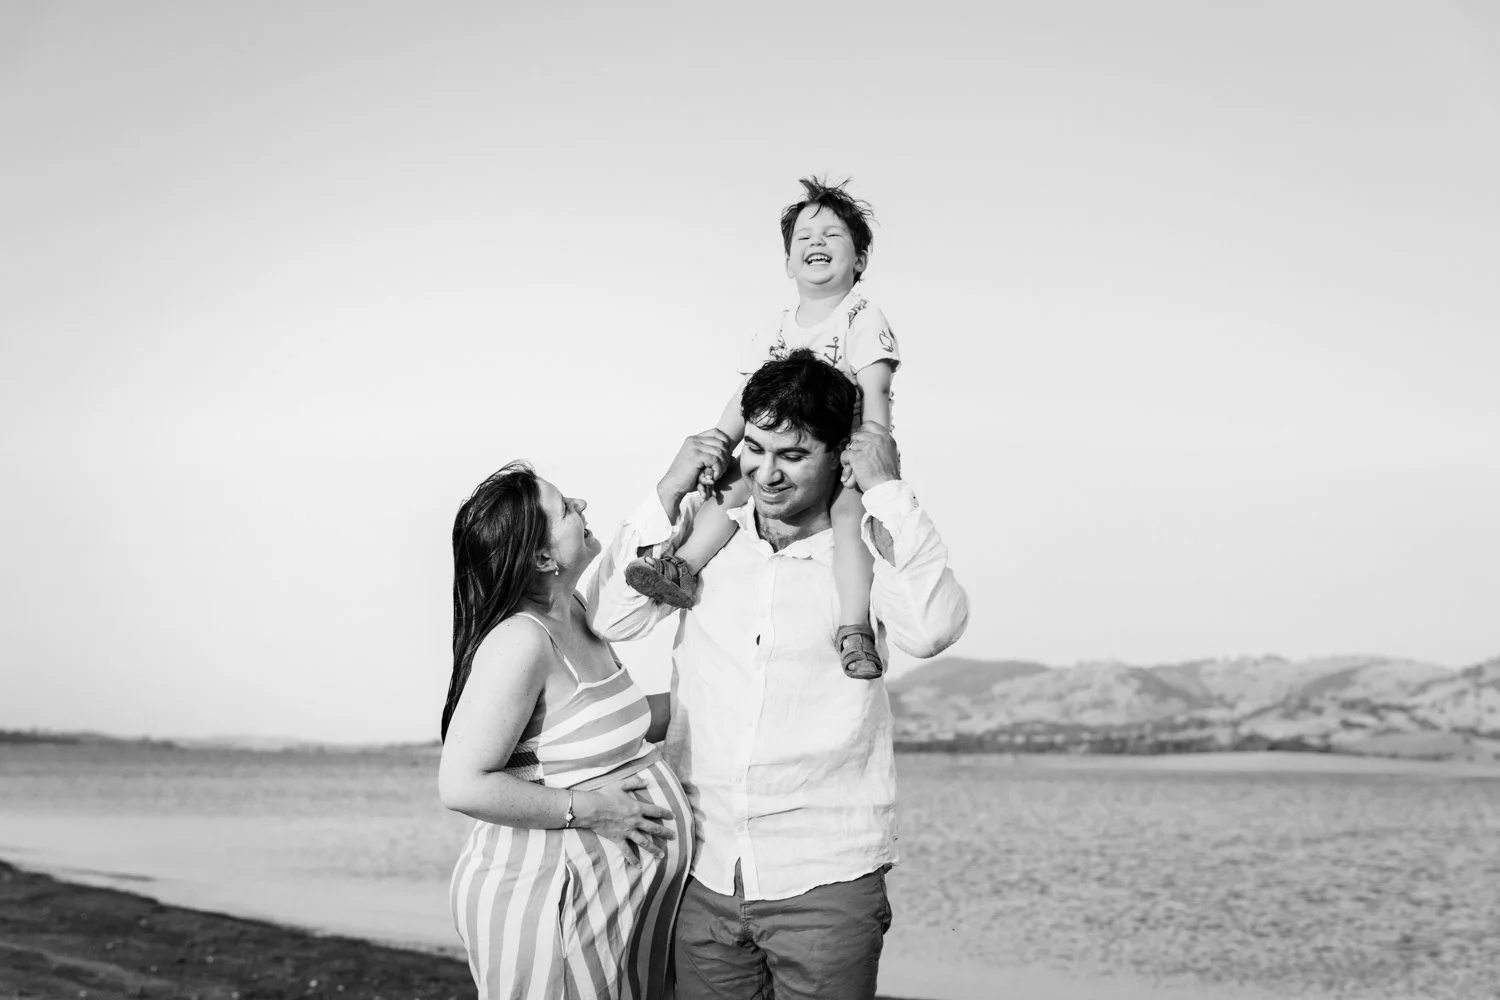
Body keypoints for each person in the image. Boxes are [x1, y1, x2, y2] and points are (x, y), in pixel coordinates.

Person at [588, 350, 970, 1000]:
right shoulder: (708, 539)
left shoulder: (867, 549)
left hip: (826, 877)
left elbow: (932, 628)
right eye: (757, 450)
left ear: (838, 453)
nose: (766, 473)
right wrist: (669, 485)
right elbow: (611, 616)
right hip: (702, 871)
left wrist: (888, 491)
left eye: (791, 455)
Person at [624, 176, 901, 680]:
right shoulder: (775, 329)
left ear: (859, 260)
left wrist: (873, 465)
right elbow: (745, 398)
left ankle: (854, 627)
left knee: (849, 525)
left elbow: (876, 391)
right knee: (729, 487)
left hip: (837, 456)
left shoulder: (862, 316)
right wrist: (720, 443)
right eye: (804, 237)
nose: (817, 243)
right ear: (789, 263)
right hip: (776, 445)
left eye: (833, 235)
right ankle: (681, 566)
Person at [439, 462, 692, 999]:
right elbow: (462, 784)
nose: (581, 506)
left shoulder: (573, 609)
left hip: (605, 912)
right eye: (565, 508)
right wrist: (598, 809)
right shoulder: (520, 641)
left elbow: (610, 726)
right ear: (541, 557)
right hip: (545, 905)